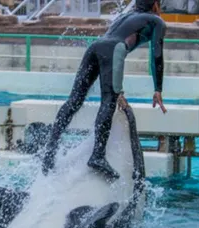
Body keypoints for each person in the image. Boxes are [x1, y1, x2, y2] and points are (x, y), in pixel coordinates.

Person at [40, 0, 168, 181]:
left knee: (74, 100)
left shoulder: (124, 17)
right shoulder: (156, 22)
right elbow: (156, 54)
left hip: (95, 47)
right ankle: (97, 156)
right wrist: (158, 88)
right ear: (155, 4)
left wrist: (119, 91)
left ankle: (49, 153)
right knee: (109, 100)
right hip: (113, 49)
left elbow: (110, 47)